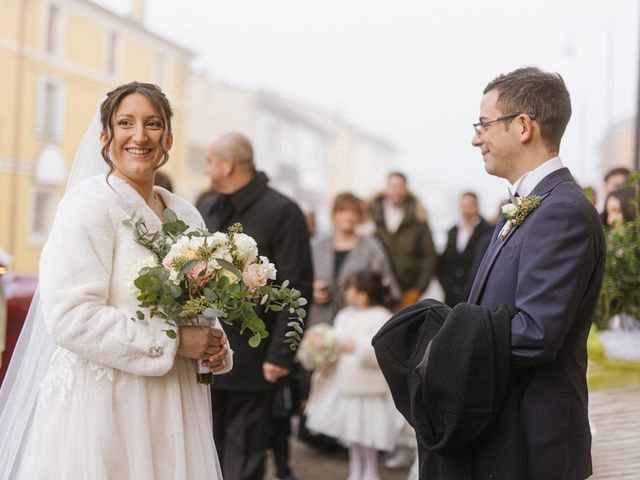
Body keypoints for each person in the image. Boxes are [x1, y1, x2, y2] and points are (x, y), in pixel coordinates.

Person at [0, 82, 232, 479]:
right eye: (126, 123)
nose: (140, 136)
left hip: (175, 408)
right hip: (107, 407)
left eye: (153, 124)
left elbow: (198, 304)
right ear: (105, 136)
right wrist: (174, 342)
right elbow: (72, 318)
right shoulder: (89, 205)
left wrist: (214, 344)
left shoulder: (187, 216)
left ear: (169, 138)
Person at [468, 67, 605, 480]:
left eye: (484, 124)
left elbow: (535, 333)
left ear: (523, 126)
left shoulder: (561, 211)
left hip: (536, 447)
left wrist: (449, 349)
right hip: (510, 437)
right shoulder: (532, 202)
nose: (476, 138)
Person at [198, 132, 313, 480]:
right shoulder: (206, 204)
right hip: (204, 353)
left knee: (246, 456)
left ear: (227, 164)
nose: (205, 170)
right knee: (204, 452)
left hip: (255, 359)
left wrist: (280, 356)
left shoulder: (283, 210)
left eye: (209, 162)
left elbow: (296, 285)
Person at [306, 270, 400, 480]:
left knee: (368, 431)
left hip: (368, 387)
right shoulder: (344, 315)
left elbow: (383, 350)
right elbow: (335, 340)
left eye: (350, 288)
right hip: (345, 383)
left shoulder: (381, 316)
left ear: (363, 294)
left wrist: (356, 346)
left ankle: (371, 470)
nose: (346, 293)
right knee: (352, 433)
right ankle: (355, 469)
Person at [309, 192, 400, 328]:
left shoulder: (371, 247)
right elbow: (299, 280)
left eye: (354, 212)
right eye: (342, 210)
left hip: (357, 326)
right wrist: (311, 289)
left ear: (359, 217)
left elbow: (388, 287)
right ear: (334, 214)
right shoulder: (316, 246)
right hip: (319, 326)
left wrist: (365, 297)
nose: (348, 216)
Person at [369, 172, 436, 308]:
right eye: (393, 186)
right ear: (386, 188)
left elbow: (430, 257)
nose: (397, 191)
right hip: (376, 292)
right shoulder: (370, 213)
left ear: (406, 189)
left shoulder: (419, 218)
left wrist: (418, 290)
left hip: (408, 293)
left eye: (401, 187)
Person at [437, 191, 493, 307]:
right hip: (451, 295)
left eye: (469, 206)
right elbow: (446, 260)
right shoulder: (452, 231)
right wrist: (445, 283)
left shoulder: (488, 231)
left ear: (477, 206)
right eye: (463, 206)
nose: (466, 210)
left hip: (475, 295)